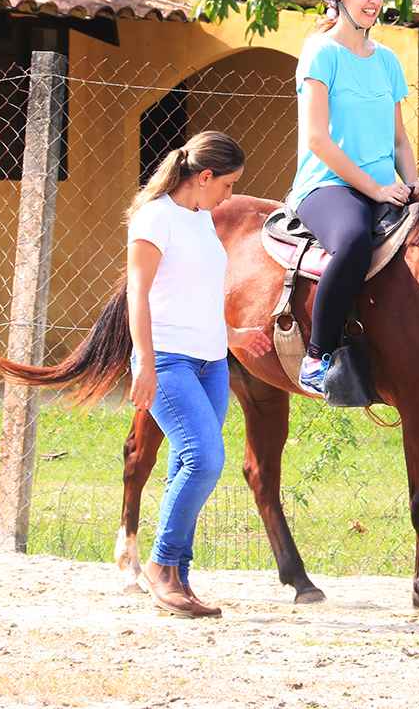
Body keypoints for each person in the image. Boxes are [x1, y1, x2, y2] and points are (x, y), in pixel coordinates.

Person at [127, 130, 272, 618]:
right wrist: (144, 360)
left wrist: (230, 338)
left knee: (181, 467)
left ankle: (179, 580)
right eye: (227, 185)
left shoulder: (200, 220)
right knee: (204, 458)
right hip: (168, 359)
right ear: (204, 176)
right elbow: (138, 293)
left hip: (211, 361)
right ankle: (161, 566)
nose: (230, 196)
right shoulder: (155, 218)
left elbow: (198, 292)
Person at [287, 0, 419, 398]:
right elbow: (316, 140)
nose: (374, 1)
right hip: (328, 186)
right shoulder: (320, 53)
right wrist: (374, 187)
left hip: (385, 185)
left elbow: (398, 139)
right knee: (351, 243)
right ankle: (318, 355)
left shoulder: (388, 61)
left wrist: (413, 182)